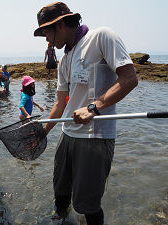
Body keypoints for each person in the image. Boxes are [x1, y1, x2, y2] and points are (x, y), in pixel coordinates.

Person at [33, 2, 138, 224]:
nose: (47, 41)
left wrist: (94, 107)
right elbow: (60, 104)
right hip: (67, 134)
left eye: (47, 33)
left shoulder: (101, 37)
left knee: (88, 204)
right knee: (60, 189)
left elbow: (129, 78)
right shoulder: (64, 60)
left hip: (94, 137)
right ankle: (60, 218)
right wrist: (42, 133)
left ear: (60, 24)